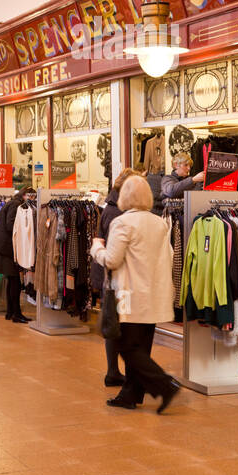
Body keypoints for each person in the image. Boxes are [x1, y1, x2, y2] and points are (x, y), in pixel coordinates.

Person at [90, 175, 181, 413]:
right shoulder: (159, 223)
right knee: (141, 347)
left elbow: (111, 260)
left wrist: (96, 248)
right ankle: (130, 394)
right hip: (153, 295)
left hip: (130, 296)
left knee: (126, 347)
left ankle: (165, 385)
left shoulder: (122, 223)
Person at [95, 167, 141, 387]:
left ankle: (114, 371)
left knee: (117, 325)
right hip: (116, 278)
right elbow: (113, 253)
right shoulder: (116, 212)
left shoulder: (113, 208)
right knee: (117, 326)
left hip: (115, 277)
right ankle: (114, 371)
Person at [0, 188, 31, 324]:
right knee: (15, 280)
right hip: (7, 249)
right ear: (25, 195)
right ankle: (16, 313)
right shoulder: (16, 205)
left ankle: (11, 312)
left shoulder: (13, 203)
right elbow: (10, 224)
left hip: (4, 247)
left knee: (12, 280)